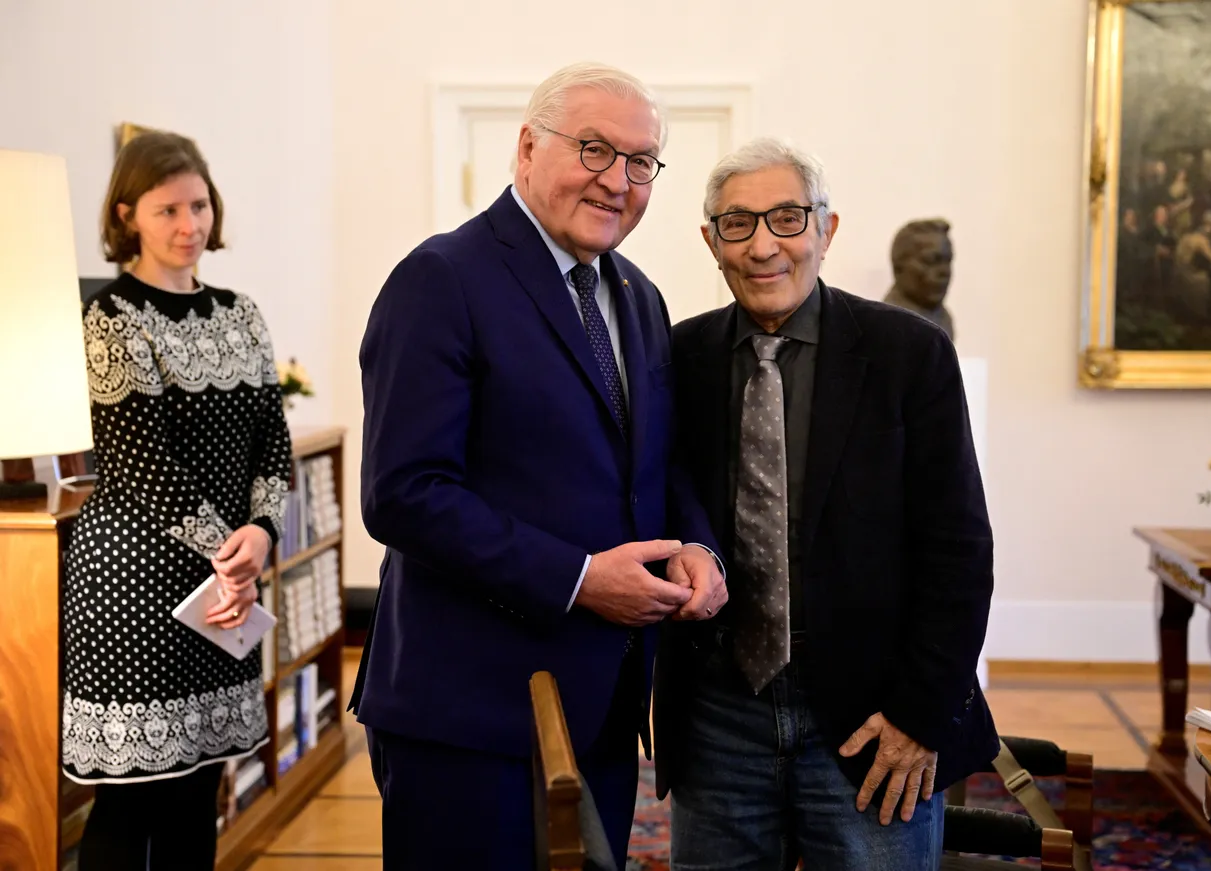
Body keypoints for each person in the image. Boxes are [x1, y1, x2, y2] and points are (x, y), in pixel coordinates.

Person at [350, 61, 726, 871]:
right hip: (470, 712)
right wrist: (580, 577)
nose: (617, 180)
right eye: (594, 150)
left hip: (605, 706)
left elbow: (656, 464)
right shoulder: (442, 279)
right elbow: (403, 492)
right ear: (526, 147)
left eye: (640, 162)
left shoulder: (639, 295)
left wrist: (698, 545)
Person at [653, 137, 998, 871]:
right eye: (738, 224)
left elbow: (958, 550)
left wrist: (918, 716)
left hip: (873, 716)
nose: (764, 245)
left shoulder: (909, 353)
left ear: (826, 229)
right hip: (720, 712)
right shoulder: (678, 358)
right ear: (711, 242)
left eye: (787, 217)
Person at [63, 131, 292, 870]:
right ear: (128, 213)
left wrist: (259, 533)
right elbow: (141, 464)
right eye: (168, 210)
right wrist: (233, 559)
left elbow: (273, 442)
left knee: (202, 789)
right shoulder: (113, 318)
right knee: (131, 800)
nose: (189, 226)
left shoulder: (242, 313)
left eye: (198, 205)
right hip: (133, 581)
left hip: (223, 586)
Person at [882, 217, 955, 339]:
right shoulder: (890, 323)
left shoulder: (944, 318)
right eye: (930, 260)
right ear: (898, 266)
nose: (944, 271)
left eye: (948, 261)